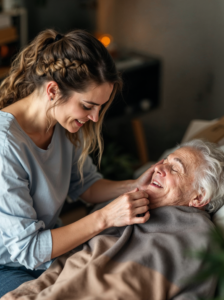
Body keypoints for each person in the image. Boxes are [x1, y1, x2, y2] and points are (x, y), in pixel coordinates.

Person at [0, 29, 154, 297]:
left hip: (45, 252)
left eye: (99, 108)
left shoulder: (61, 124)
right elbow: (28, 249)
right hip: (8, 264)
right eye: (87, 106)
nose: (94, 118)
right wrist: (106, 216)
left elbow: (85, 185)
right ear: (52, 90)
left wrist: (133, 186)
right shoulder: (5, 145)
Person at [3, 139, 224, 300]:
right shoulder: (126, 209)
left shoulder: (196, 235)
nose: (159, 168)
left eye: (175, 168)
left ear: (199, 197)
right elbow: (63, 267)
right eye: (164, 161)